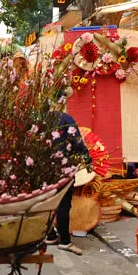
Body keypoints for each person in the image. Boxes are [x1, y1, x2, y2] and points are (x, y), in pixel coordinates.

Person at [45, 101, 92, 256]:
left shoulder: (39, 120)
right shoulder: (65, 119)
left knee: (46, 202)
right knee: (64, 203)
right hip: (63, 167)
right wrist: (86, 157)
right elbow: (77, 142)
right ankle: (65, 240)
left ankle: (50, 235)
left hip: (43, 168)